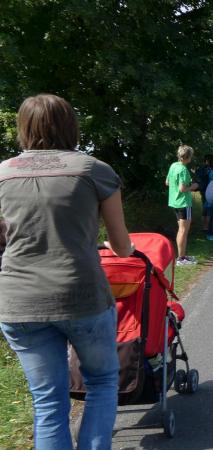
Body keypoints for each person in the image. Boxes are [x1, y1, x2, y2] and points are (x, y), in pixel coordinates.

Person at [0, 94, 133, 450]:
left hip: (19, 302)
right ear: (71, 125)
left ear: (23, 127)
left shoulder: (3, 173)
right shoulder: (94, 170)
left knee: (48, 400)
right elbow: (121, 246)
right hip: (82, 296)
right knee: (102, 382)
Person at [166, 144, 199, 266]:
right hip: (184, 203)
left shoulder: (173, 165)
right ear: (188, 157)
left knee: (181, 230)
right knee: (183, 231)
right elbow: (182, 188)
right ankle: (180, 259)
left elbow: (167, 182)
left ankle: (182, 256)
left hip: (174, 202)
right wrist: (193, 186)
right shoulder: (183, 170)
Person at [195, 154, 212, 232]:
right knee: (209, 209)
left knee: (204, 207)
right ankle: (208, 227)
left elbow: (197, 177)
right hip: (210, 190)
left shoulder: (200, 169)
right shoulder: (210, 169)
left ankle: (204, 227)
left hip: (202, 190)